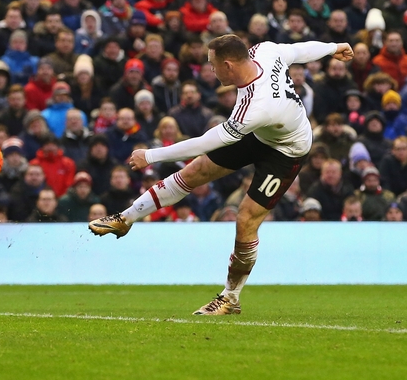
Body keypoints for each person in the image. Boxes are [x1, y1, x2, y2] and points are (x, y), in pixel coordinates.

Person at [89, 34, 353, 315]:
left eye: (212, 65)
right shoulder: (264, 51)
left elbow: (205, 142)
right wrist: (333, 47)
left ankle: (230, 298)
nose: (210, 71)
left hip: (287, 150)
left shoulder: (255, 107)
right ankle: (124, 219)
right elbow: (299, 50)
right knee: (195, 171)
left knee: (246, 218)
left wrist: (151, 155)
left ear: (228, 65)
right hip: (263, 133)